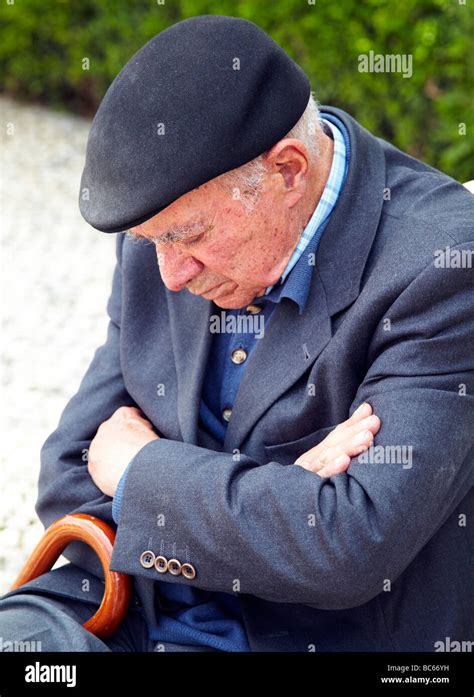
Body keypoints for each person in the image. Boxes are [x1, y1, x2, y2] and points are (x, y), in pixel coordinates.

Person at [0, 15, 472, 652]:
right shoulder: (162, 224)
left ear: (287, 171)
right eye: (151, 241)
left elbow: (349, 548)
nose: (168, 274)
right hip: (116, 609)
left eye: (190, 237)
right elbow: (69, 470)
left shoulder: (442, 267)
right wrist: (278, 499)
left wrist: (141, 469)